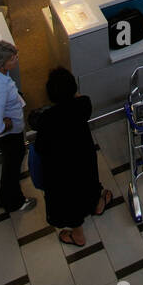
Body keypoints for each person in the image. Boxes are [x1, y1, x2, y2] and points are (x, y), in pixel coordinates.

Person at [31, 66, 112, 247]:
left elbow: (41, 146)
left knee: (70, 200)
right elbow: (80, 99)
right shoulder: (83, 105)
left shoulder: (47, 119)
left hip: (61, 168)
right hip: (83, 158)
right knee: (90, 182)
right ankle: (98, 205)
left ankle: (78, 236)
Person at [0, 40, 35, 214]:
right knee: (12, 167)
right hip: (9, 136)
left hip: (2, 124)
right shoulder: (0, 90)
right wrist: (7, 124)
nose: (16, 59)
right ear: (3, 64)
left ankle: (5, 197)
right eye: (13, 58)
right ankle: (13, 201)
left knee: (10, 164)